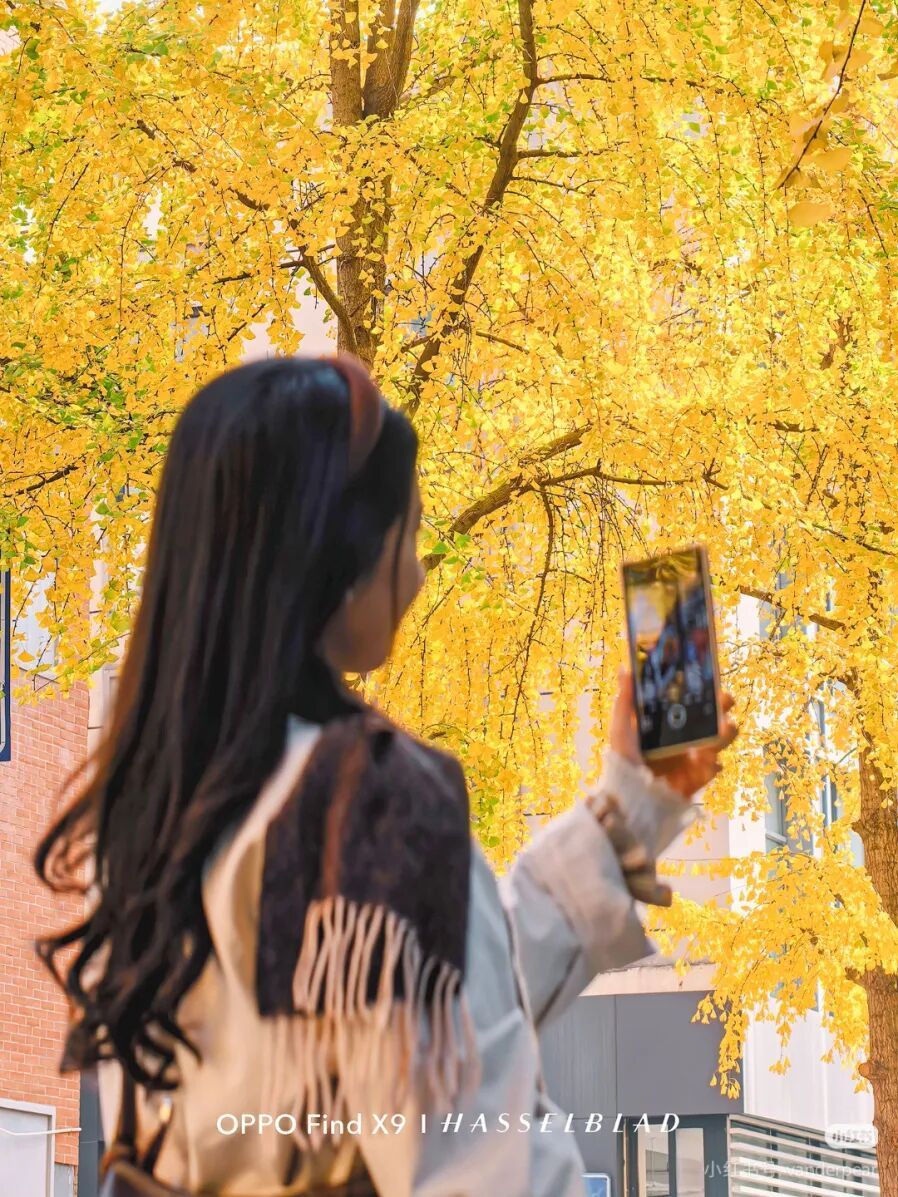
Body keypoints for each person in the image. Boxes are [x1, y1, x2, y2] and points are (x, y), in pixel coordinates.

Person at [35, 355, 737, 1197]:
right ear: (338, 558)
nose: (418, 571)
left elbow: (408, 1006)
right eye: (408, 531)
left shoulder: (152, 808)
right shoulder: (367, 801)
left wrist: (632, 803)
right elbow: (474, 1156)